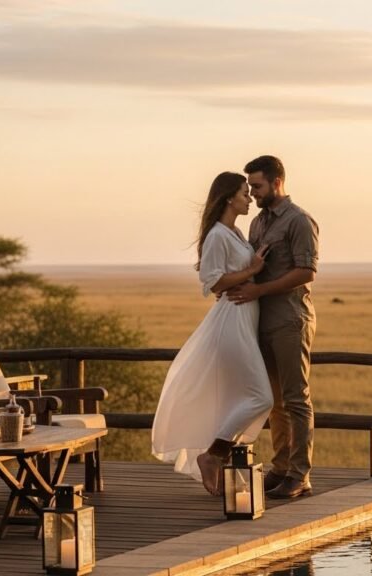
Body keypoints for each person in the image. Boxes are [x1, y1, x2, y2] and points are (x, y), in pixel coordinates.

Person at [152, 171, 274, 496]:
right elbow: (214, 282)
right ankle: (212, 456)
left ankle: (224, 463)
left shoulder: (235, 232)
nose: (249, 198)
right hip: (232, 320)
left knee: (239, 397)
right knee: (262, 396)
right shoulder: (218, 235)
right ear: (229, 197)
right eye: (244, 193)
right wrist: (253, 271)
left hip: (245, 318)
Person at [227, 155, 319, 499]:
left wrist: (258, 290)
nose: (252, 193)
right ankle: (281, 468)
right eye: (250, 186)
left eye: (257, 186)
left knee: (296, 398)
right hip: (262, 321)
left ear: (277, 182)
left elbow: (306, 271)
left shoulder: (299, 221)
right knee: (275, 401)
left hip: (290, 320)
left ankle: (300, 474)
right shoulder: (258, 224)